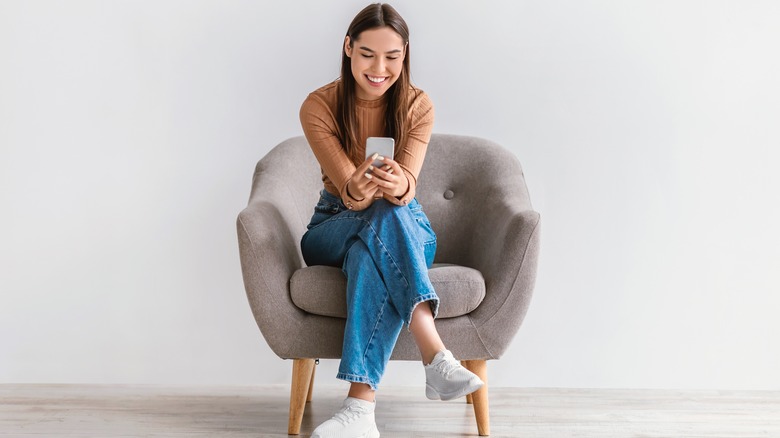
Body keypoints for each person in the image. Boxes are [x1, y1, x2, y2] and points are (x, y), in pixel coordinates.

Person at [299, 4, 483, 437]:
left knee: (373, 248)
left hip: (404, 222)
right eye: (367, 54)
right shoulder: (318, 106)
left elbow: (408, 186)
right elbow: (350, 192)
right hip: (334, 222)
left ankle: (359, 412)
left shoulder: (418, 105)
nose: (379, 68)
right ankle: (435, 355)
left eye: (391, 57)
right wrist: (362, 189)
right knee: (379, 212)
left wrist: (399, 183)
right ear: (348, 48)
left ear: (405, 54)